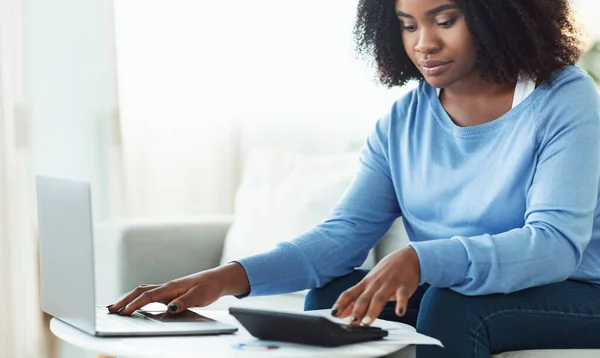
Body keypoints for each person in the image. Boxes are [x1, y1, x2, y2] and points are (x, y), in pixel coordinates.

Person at [108, 0, 600, 356]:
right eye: (407, 25)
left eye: (445, 21)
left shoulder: (564, 99)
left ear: (499, 15)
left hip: (577, 289)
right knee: (332, 297)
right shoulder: (404, 120)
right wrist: (224, 279)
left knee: (452, 308)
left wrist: (420, 258)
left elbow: (554, 246)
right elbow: (343, 237)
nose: (423, 44)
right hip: (464, 285)